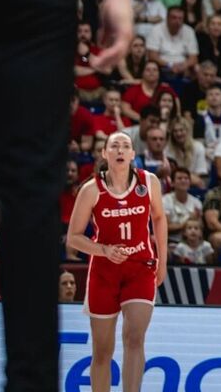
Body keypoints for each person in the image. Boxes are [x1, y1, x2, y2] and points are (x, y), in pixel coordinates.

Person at [66, 132, 167, 392]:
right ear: (105, 153)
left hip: (140, 266)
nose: (120, 150)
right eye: (115, 146)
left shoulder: (149, 182)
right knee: (102, 351)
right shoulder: (91, 189)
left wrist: (163, 260)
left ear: (133, 154)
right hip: (104, 271)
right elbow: (74, 237)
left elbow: (159, 218)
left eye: (126, 146)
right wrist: (103, 250)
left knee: (134, 337)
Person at [162, 166, 202, 243]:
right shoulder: (165, 201)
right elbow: (166, 227)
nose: (183, 181)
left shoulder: (196, 202)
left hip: (192, 242)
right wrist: (187, 222)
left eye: (186, 178)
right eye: (179, 178)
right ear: (172, 183)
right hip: (171, 241)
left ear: (190, 183)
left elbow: (200, 226)